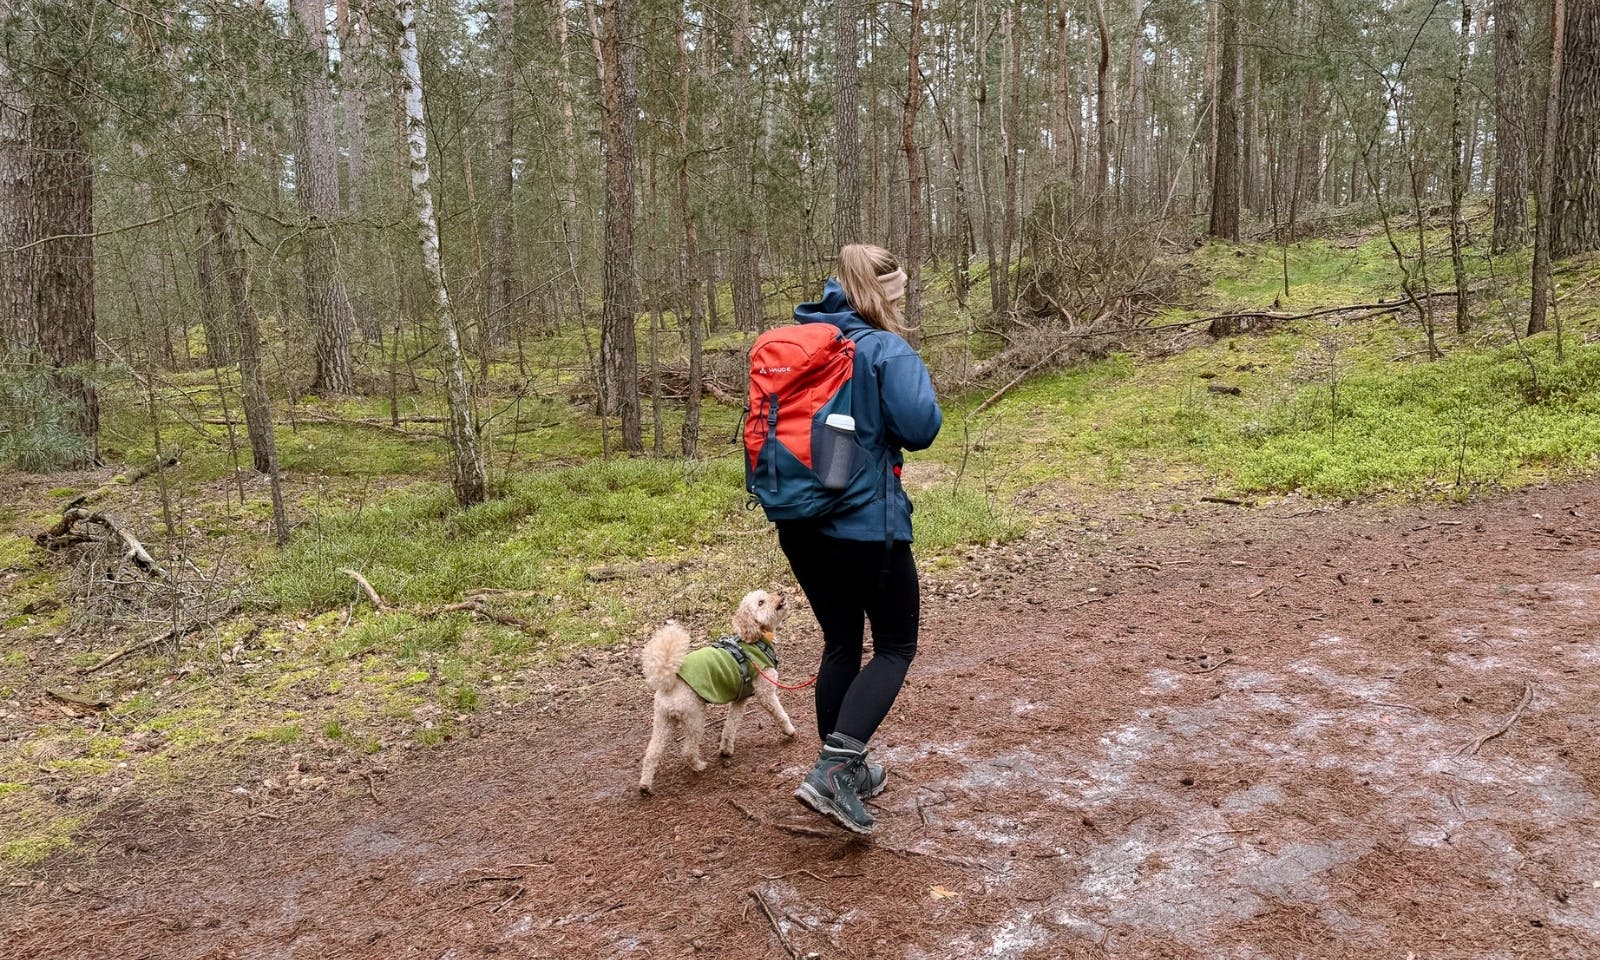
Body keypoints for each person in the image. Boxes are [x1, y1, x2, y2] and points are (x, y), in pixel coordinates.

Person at [781, 243, 942, 835]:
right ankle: (834, 769)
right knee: (896, 645)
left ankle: (843, 767)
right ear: (886, 294)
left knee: (842, 644)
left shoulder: (805, 345)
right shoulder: (883, 349)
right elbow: (921, 427)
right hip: (865, 525)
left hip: (798, 525)